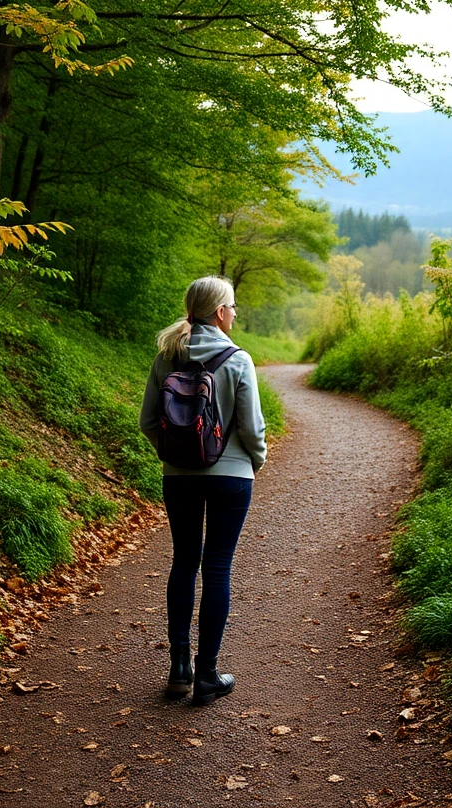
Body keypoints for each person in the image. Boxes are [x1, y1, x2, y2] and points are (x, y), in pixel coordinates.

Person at [139, 276, 267, 706]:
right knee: (216, 568)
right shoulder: (238, 359)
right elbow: (251, 429)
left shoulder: (166, 357)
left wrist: (176, 457)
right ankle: (208, 674)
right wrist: (256, 460)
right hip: (232, 477)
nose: (234, 312)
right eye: (231, 306)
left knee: (183, 562)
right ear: (218, 312)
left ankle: (179, 669)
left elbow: (148, 422)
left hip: (179, 478)